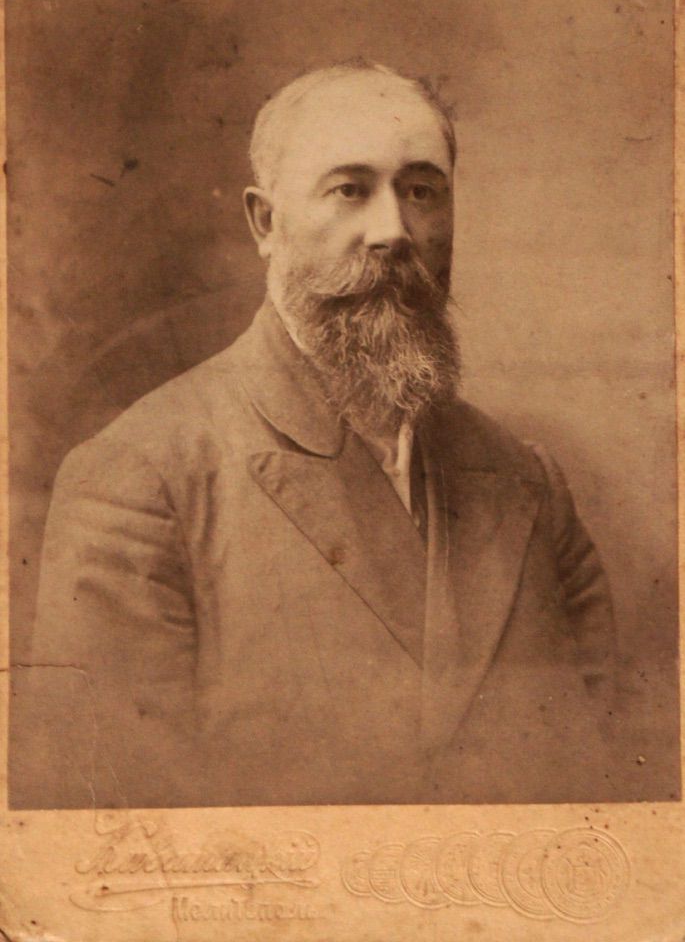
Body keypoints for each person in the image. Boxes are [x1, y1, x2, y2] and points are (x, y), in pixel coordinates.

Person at [21, 61, 618, 808]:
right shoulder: (141, 478)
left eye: (421, 190)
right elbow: (113, 826)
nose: (393, 231)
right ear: (264, 223)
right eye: (349, 190)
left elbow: (604, 783)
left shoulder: (526, 482)